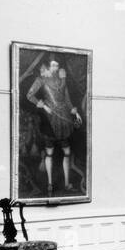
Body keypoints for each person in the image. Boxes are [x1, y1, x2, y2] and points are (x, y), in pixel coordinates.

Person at [25, 56, 83, 195]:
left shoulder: (62, 80)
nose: (55, 68)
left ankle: (67, 183)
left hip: (64, 118)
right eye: (52, 66)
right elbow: (29, 95)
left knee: (67, 152)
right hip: (48, 118)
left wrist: (74, 111)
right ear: (47, 66)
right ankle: (50, 184)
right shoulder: (41, 80)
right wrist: (44, 106)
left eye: (57, 66)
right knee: (50, 153)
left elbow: (67, 98)